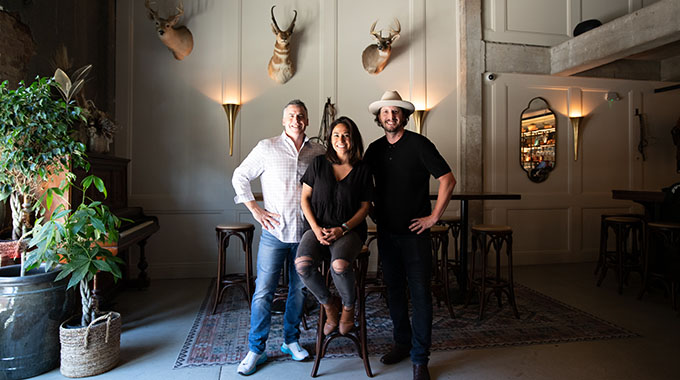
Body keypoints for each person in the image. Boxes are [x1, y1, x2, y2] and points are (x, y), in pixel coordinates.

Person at [363, 90, 456, 380]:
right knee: (394, 293)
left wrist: (433, 218)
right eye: (385, 113)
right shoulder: (375, 149)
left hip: (415, 235)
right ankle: (402, 343)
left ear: (404, 116)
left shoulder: (419, 144)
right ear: (379, 118)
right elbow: (362, 182)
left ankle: (420, 359)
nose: (390, 117)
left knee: (420, 295)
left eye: (396, 112)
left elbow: (448, 179)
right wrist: (370, 212)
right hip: (387, 233)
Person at [232, 99, 325, 376]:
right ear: (284, 121)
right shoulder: (267, 147)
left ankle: (291, 340)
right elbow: (240, 177)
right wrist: (256, 210)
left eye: (301, 116)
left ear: (307, 121)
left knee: (298, 291)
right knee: (264, 292)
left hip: (305, 234)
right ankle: (256, 349)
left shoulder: (318, 152)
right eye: (291, 116)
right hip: (274, 234)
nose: (296, 120)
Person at [294, 116, 373, 336]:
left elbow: (365, 207)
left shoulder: (363, 169)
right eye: (336, 135)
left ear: (353, 139)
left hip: (349, 231)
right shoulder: (318, 163)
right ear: (330, 138)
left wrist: (343, 228)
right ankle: (329, 305)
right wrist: (316, 229)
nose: (341, 139)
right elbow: (305, 199)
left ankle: (348, 307)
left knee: (339, 265)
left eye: (346, 135)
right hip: (317, 227)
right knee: (302, 265)